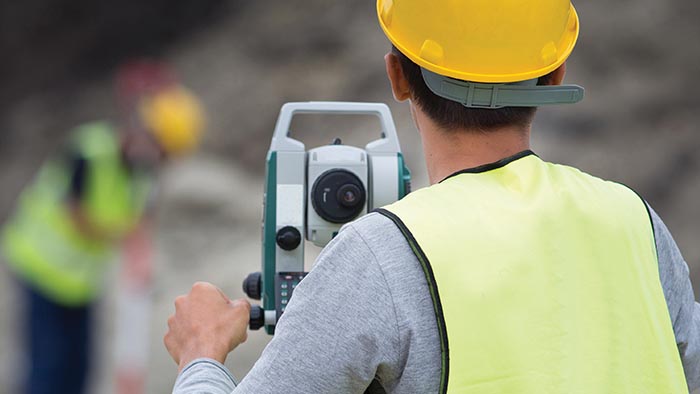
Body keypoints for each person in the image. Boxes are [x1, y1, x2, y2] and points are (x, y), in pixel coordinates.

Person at [164, 1, 700, 393]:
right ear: (555, 73)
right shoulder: (638, 224)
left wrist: (201, 354)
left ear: (397, 75)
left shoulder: (381, 256)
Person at [1, 60, 205, 394]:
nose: (161, 161)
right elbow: (76, 216)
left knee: (79, 370)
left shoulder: (144, 178)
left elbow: (142, 227)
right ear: (144, 131)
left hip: (81, 281)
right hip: (40, 268)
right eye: (162, 150)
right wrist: (123, 236)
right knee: (48, 368)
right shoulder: (89, 151)